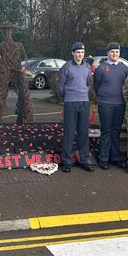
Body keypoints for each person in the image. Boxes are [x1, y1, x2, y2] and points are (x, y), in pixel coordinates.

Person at [56, 42, 94, 173]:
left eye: (82, 52)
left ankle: (84, 160)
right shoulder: (67, 67)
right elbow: (60, 86)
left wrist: (82, 93)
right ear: (73, 53)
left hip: (84, 102)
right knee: (69, 132)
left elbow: (89, 84)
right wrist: (68, 97)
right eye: (78, 52)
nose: (80, 55)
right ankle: (66, 161)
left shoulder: (87, 67)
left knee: (83, 131)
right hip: (70, 102)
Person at [93, 42, 128, 169]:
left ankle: (115, 157)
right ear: (108, 53)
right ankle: (103, 158)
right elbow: (96, 86)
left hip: (120, 104)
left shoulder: (124, 68)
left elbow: (127, 86)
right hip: (105, 104)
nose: (114, 54)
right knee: (106, 130)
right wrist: (103, 97)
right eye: (112, 52)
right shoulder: (101, 68)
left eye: (117, 52)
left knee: (116, 131)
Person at [0, 21, 33, 123]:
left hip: (15, 70)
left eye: (7, 30)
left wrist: (23, 69)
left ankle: (27, 116)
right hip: (8, 70)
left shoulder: (15, 46)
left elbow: (25, 61)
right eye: (5, 30)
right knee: (1, 95)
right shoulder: (10, 45)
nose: (6, 32)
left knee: (23, 94)